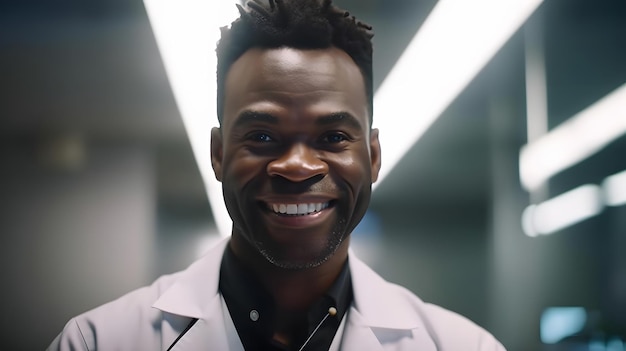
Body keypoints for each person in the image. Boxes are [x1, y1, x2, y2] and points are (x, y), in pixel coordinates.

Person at [48, 0, 506, 350]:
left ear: (373, 155)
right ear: (218, 153)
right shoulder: (96, 341)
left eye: (332, 138)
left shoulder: (462, 345)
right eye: (263, 136)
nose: (297, 166)